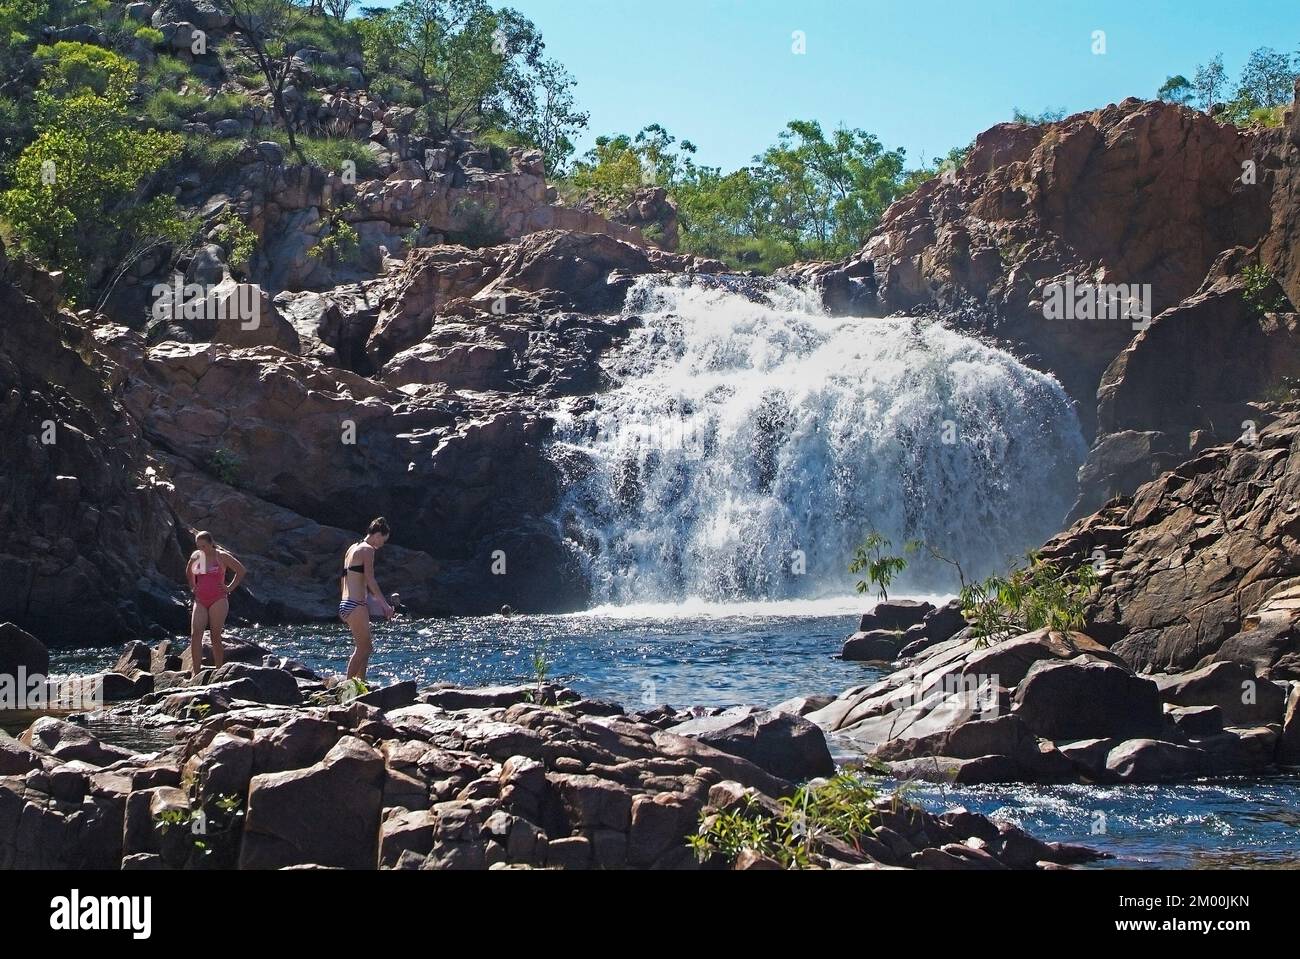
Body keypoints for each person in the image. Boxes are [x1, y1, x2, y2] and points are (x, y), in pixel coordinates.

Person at [339, 517, 394, 680]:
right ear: (377, 534)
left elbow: (345, 577)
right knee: (363, 648)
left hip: (346, 603)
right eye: (383, 540)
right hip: (356, 604)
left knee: (366, 647)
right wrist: (385, 605)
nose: (382, 544)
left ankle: (361, 683)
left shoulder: (352, 548)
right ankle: (347, 686)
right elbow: (370, 579)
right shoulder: (367, 549)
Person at [186, 531, 246, 677]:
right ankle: (196, 673)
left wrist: (229, 588)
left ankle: (219, 671)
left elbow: (241, 570)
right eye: (198, 546)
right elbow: (189, 571)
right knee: (195, 634)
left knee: (215, 635)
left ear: (211, 543)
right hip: (200, 600)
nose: (202, 549)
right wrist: (193, 586)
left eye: (204, 546)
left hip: (218, 599)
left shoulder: (221, 556)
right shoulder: (196, 556)